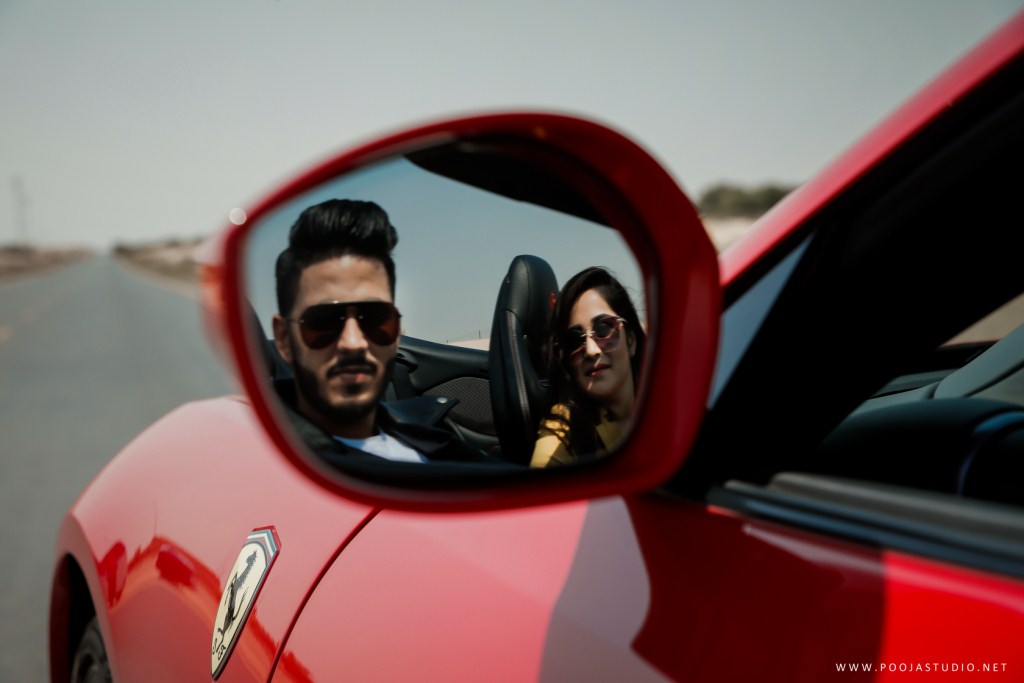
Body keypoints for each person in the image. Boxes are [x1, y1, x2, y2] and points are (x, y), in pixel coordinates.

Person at [272, 199, 489, 465]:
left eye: (375, 318)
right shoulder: (263, 462)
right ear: (284, 339)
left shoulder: (447, 450)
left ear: (397, 329)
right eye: (325, 321)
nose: (354, 342)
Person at [530, 266, 646, 468]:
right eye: (574, 341)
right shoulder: (564, 427)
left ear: (631, 341)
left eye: (604, 329)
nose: (591, 351)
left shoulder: (670, 401)